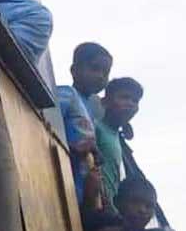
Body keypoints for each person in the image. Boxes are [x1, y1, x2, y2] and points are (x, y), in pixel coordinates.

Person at [56, 42, 112, 206]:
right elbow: (45, 125)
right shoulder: (67, 94)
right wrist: (74, 148)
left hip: (84, 195)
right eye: (95, 68)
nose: (101, 76)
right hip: (64, 186)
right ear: (74, 71)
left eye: (106, 72)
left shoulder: (91, 111)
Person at [94, 77, 143, 210]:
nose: (131, 103)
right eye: (124, 97)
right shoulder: (96, 127)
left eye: (135, 101)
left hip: (110, 206)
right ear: (106, 101)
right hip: (96, 204)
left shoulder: (117, 136)